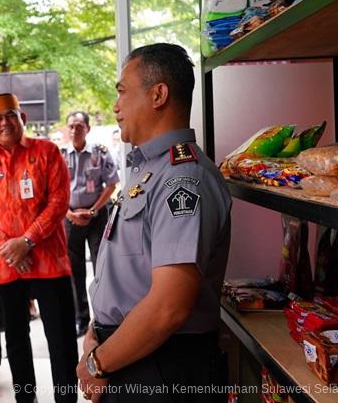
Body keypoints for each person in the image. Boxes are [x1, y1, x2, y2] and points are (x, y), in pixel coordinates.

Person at [76, 43, 231, 402]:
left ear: (158, 94)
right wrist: (96, 335)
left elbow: (169, 306)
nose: (115, 105)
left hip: (163, 367)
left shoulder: (182, 178)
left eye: (122, 91)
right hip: (128, 354)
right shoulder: (149, 169)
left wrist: (97, 363)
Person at [0, 93, 78, 403]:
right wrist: (8, 247)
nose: (5, 122)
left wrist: (27, 241)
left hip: (49, 262)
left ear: (22, 119)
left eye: (10, 115)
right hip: (5, 266)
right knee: (16, 343)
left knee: (62, 341)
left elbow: (59, 202)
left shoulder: (47, 152)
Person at [61, 111, 119, 337]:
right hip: (70, 219)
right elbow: (52, 191)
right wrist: (69, 213)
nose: (74, 130)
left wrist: (93, 210)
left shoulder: (100, 152)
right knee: (74, 272)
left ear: (88, 128)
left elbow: (112, 184)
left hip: (96, 217)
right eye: (71, 126)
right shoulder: (59, 154)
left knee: (100, 268)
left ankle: (102, 317)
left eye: (79, 126)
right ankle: (80, 319)